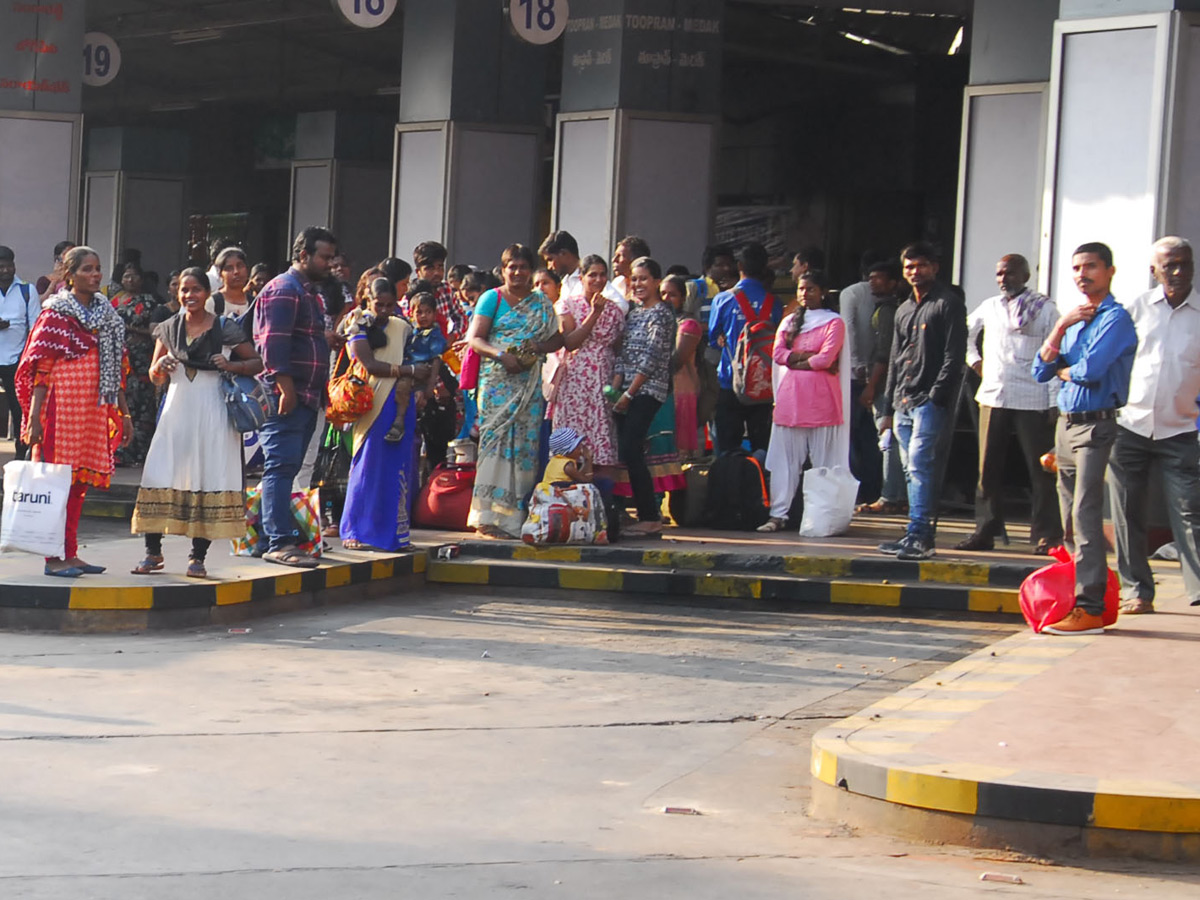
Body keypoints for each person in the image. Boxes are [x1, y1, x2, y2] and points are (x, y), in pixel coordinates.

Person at [1033, 242, 1138, 634]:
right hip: (1066, 424)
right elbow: (1038, 371)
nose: (1082, 274)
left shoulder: (1116, 319)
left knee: (1086, 513)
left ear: (1110, 271)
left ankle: (1090, 606)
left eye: (1091, 267)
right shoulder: (1075, 319)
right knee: (1068, 521)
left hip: (1096, 424)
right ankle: (1080, 596)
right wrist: (1060, 327)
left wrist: (1062, 367)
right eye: (1076, 268)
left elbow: (1089, 370)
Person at [130, 268, 262, 578]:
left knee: (208, 474)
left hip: (213, 409)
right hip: (177, 409)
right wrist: (160, 365)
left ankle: (197, 557)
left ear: (207, 293)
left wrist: (231, 365)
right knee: (161, 470)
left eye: (196, 290)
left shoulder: (224, 328)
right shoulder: (167, 328)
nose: (190, 296)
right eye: (184, 290)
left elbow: (256, 362)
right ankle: (153, 553)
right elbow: (154, 375)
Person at [16, 246, 133, 577]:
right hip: (60, 409)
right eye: (87, 269)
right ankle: (53, 559)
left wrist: (123, 415)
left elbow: (118, 370)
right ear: (70, 276)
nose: (95, 274)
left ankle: (71, 552)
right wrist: (35, 419)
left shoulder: (107, 316)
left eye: (97, 269)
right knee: (56, 483)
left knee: (79, 482)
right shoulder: (55, 314)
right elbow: (40, 370)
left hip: (93, 409)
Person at [1107, 236, 1200, 614]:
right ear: (1154, 271)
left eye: (1184, 264)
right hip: (1129, 427)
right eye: (1169, 265)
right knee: (1128, 515)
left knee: (1190, 512)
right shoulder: (1136, 310)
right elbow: (1112, 359)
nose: (1177, 271)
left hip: (1182, 430)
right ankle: (1137, 592)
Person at [957, 254, 1063, 554]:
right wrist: (975, 361)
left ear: (1025, 276)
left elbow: (1055, 353)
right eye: (1000, 274)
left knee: (1041, 468)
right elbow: (966, 333)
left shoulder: (1045, 309)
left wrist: (1054, 400)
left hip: (1033, 395)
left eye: (1010, 273)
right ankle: (985, 531)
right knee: (987, 468)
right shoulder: (990, 306)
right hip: (994, 394)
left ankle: (1048, 536)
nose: (1004, 279)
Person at [876, 242, 967, 561]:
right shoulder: (903, 309)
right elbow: (895, 359)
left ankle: (923, 536)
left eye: (921, 265)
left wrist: (936, 396)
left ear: (935, 267)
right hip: (902, 399)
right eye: (909, 267)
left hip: (928, 400)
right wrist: (886, 408)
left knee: (919, 465)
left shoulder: (948, 304)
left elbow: (954, 357)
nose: (915, 272)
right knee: (909, 468)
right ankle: (914, 533)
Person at [466, 244, 563, 538]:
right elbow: (475, 339)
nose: (518, 272)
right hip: (497, 383)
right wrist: (501, 356)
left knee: (524, 449)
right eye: (512, 267)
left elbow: (557, 340)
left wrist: (537, 347)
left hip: (529, 385)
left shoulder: (542, 305)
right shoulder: (491, 299)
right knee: (494, 446)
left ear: (531, 270)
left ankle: (515, 516)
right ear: (503, 269)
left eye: (523, 267)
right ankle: (487, 518)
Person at [253, 226, 336, 568]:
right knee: (281, 467)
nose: (329, 264)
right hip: (288, 394)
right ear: (303, 255)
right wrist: (285, 388)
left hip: (307, 394)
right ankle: (278, 541)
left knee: (286, 468)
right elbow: (273, 344)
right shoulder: (285, 290)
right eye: (324, 257)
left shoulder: (308, 292)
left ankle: (268, 535)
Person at [339, 278, 428, 552]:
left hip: (400, 403)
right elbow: (370, 364)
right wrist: (409, 372)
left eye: (390, 305)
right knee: (367, 467)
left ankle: (394, 536)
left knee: (397, 468)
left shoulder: (402, 327)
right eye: (379, 304)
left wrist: (419, 382)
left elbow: (421, 356)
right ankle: (354, 530)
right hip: (371, 402)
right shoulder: (356, 323)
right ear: (367, 298)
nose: (385, 310)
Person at [758, 271, 848, 532]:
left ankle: (821, 517)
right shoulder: (788, 322)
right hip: (790, 401)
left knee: (824, 464)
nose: (804, 293)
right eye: (800, 289)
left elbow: (826, 359)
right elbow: (777, 355)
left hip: (822, 402)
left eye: (810, 289)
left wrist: (796, 359)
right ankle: (778, 515)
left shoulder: (834, 322)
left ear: (822, 292)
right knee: (785, 463)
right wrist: (808, 358)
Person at [610, 257, 675, 536]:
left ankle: (650, 516)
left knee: (631, 447)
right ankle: (626, 510)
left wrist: (629, 393)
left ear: (657, 282)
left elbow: (650, 358)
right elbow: (623, 356)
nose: (637, 284)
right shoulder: (633, 314)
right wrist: (615, 391)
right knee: (623, 450)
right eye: (634, 279)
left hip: (648, 391)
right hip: (625, 390)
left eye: (644, 279)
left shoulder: (661, 314)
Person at [707, 242, 782, 455]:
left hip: (730, 381)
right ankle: (760, 484)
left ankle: (730, 484)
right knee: (762, 445)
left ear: (739, 266)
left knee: (727, 446)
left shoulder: (723, 300)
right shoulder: (774, 302)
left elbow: (713, 339)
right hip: (763, 384)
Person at [552, 255, 625, 468]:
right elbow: (570, 342)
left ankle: (601, 496)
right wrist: (594, 313)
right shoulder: (567, 304)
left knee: (601, 437)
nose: (598, 280)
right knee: (570, 443)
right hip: (575, 381)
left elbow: (619, 347)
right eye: (592, 274)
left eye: (603, 275)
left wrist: (617, 384)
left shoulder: (615, 309)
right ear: (582, 278)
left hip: (602, 380)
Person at [855, 261, 905, 513]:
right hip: (885, 382)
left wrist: (871, 386)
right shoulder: (884, 308)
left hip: (886, 384)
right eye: (870, 277)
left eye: (879, 278)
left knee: (888, 439)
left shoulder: (887, 312)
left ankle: (890, 496)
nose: (873, 282)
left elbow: (885, 354)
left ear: (894, 283)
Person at [840, 250, 887, 495]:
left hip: (855, 373)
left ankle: (857, 488)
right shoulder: (888, 298)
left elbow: (849, 329)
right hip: (879, 373)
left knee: (850, 434)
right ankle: (873, 487)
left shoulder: (851, 293)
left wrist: (855, 363)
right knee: (872, 434)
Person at [109, 261, 162, 466]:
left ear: (141, 279)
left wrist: (131, 330)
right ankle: (121, 451)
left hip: (141, 357)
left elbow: (153, 332)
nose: (129, 280)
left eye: (133, 276)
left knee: (142, 405)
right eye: (126, 276)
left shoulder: (150, 302)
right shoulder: (112, 301)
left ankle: (141, 452)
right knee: (122, 402)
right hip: (118, 357)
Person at [521, 427, 609, 545]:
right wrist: (588, 460)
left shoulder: (555, 461)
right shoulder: (567, 465)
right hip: (561, 493)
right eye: (577, 448)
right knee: (600, 486)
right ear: (568, 450)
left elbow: (579, 475)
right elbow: (586, 480)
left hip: (552, 491)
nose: (580, 451)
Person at [0, 246, 41, 460]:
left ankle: (20, 455)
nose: (6, 270)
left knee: (19, 410)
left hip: (17, 359)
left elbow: (35, 327)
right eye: (2, 267)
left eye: (10, 266)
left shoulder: (27, 290)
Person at [662, 274, 703, 458]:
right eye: (662, 293)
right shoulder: (658, 320)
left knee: (679, 454)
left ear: (683, 298)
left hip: (680, 394)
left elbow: (676, 361)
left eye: (672, 295)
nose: (666, 299)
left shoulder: (688, 325)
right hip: (662, 392)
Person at [209, 246, 252, 318]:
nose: (236, 272)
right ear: (220, 274)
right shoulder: (213, 303)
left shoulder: (254, 303)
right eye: (229, 268)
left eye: (240, 266)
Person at [539, 230, 584, 298]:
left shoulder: (590, 280)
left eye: (550, 260)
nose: (549, 267)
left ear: (563, 253)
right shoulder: (564, 283)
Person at [611, 235, 651, 302]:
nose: (614, 260)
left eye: (620, 256)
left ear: (635, 260)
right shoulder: (617, 283)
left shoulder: (649, 288)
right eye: (615, 255)